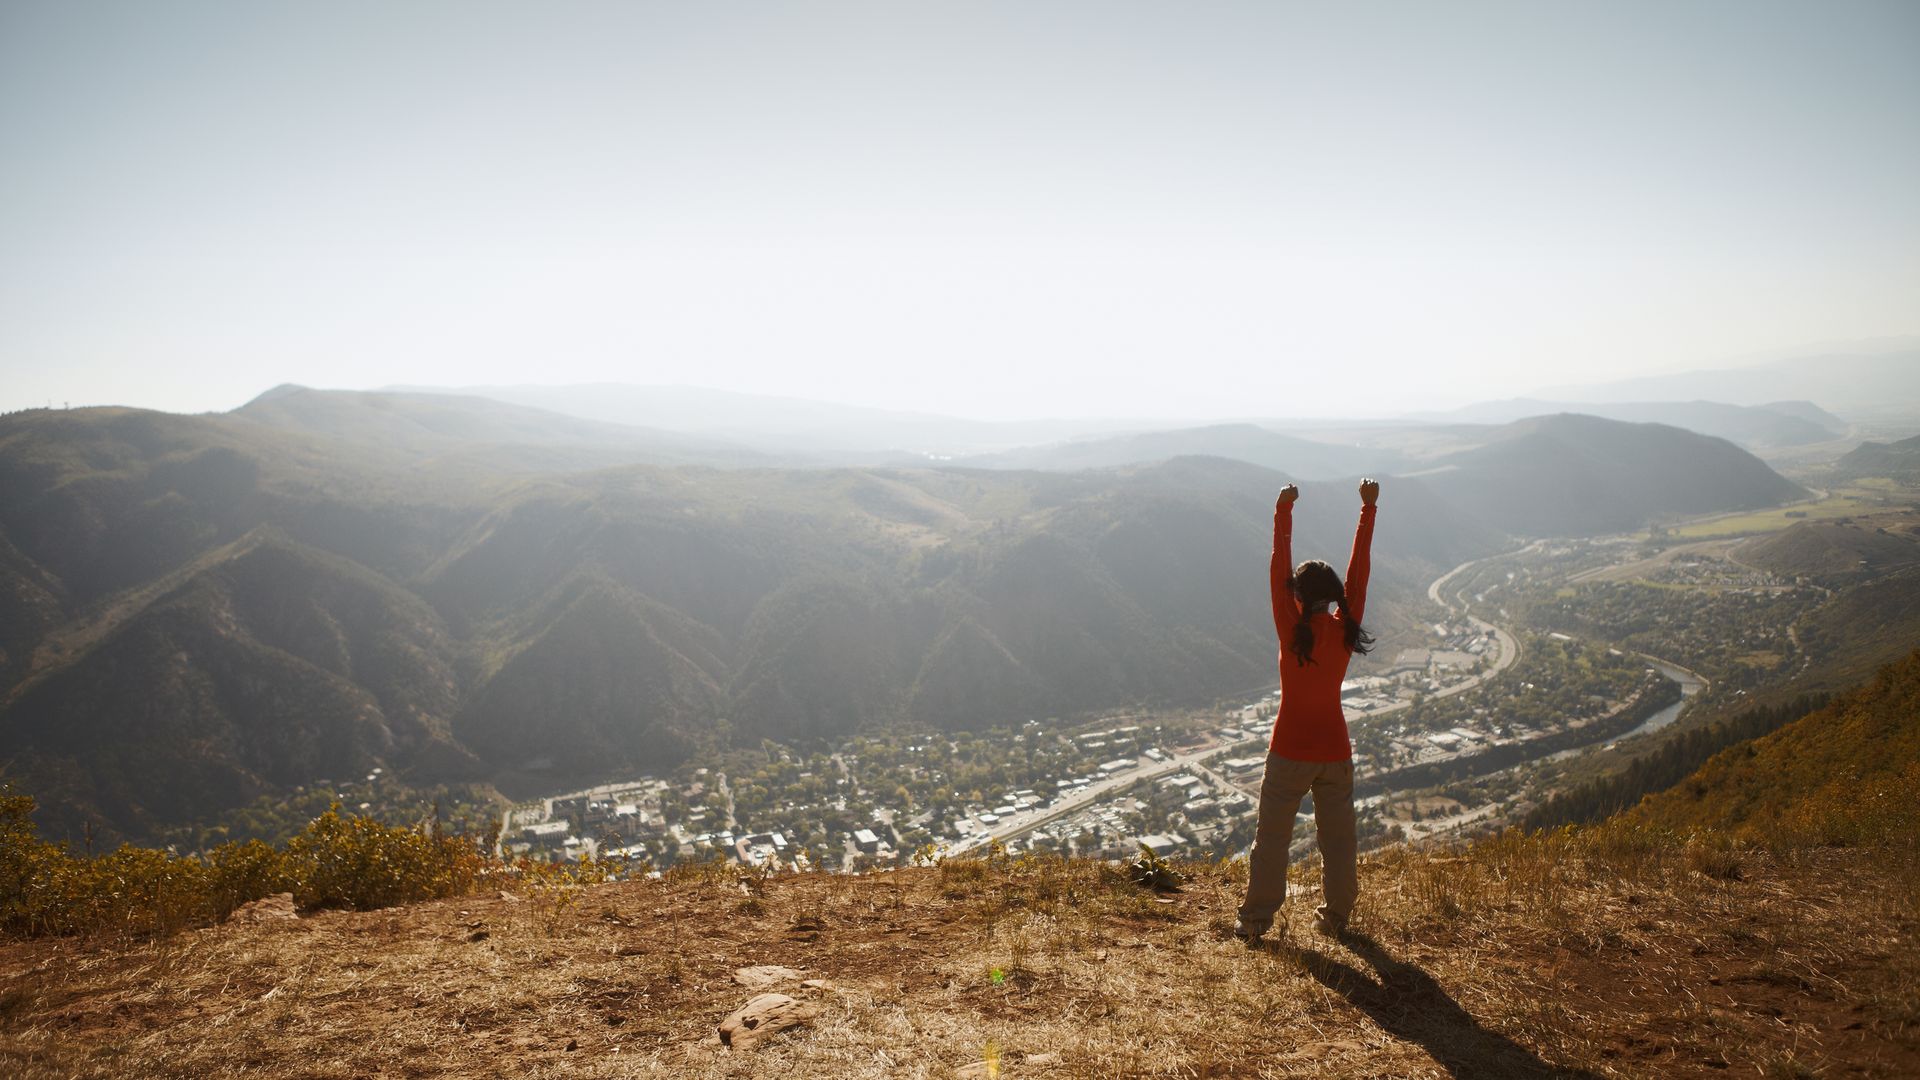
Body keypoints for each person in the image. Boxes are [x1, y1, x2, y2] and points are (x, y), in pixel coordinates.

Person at [1236, 477, 1378, 941]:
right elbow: (1359, 575)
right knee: (1339, 843)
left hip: (1289, 750)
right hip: (1335, 751)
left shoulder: (1289, 629)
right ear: (1332, 594)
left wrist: (1282, 512)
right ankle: (1337, 919)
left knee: (1272, 842)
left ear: (1297, 595)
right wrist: (1367, 510)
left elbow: (1276, 567)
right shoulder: (1344, 628)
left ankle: (1257, 922)